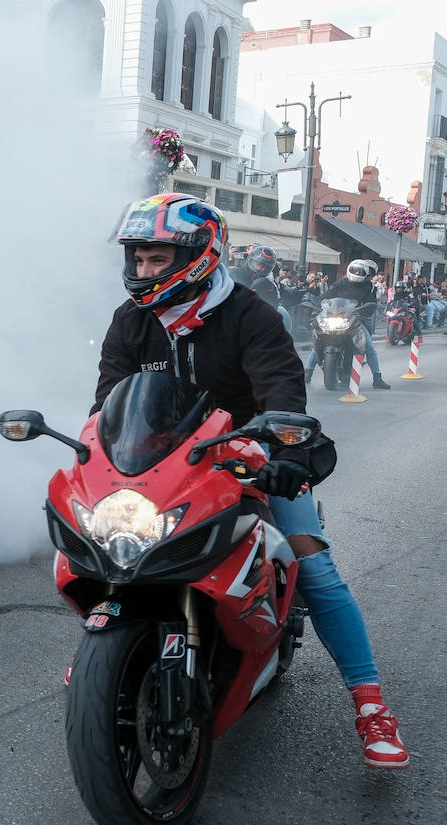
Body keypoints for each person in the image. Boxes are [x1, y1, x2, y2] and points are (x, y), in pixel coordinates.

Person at [95, 192, 408, 769]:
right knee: (111, 547)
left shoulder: (250, 315)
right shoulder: (130, 321)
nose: (143, 272)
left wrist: (280, 450)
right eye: (137, 259)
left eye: (156, 260)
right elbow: (109, 401)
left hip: (251, 462)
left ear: (199, 253)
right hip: (166, 473)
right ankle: (109, 648)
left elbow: (282, 391)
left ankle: (370, 705)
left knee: (314, 567)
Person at [304, 258, 390, 390]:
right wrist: (316, 308)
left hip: (356, 319)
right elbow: (325, 296)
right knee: (319, 339)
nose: (357, 273)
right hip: (335, 318)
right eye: (355, 270)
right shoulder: (341, 283)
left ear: (365, 274)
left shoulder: (368, 287)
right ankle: (307, 373)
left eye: (360, 271)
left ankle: (377, 378)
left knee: (368, 345)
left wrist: (364, 310)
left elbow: (371, 304)